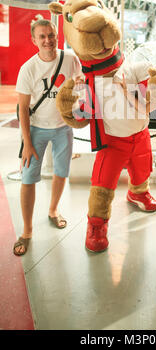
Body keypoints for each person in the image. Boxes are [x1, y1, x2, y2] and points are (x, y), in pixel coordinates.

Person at [13, 17, 82, 256]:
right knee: (29, 178)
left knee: (61, 172)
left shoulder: (71, 60)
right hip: (36, 128)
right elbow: (22, 108)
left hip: (64, 127)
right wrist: (27, 143)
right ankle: (28, 230)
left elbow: (81, 89)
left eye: (51, 35)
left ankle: (53, 210)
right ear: (34, 40)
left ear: (57, 36)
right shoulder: (28, 69)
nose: (47, 40)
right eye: (42, 36)